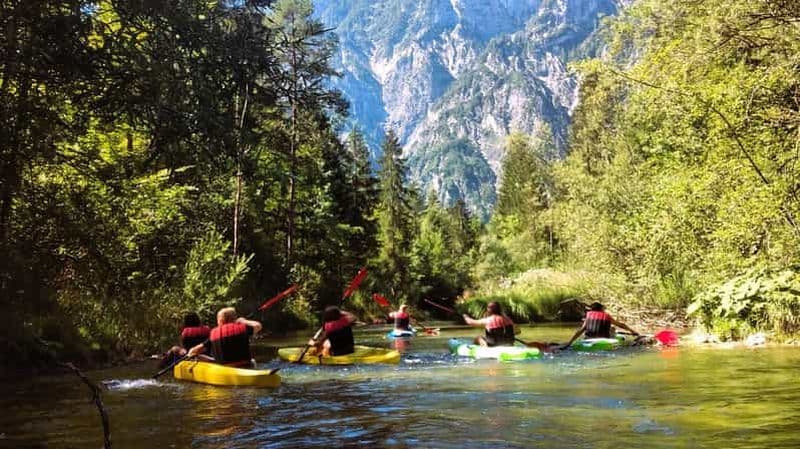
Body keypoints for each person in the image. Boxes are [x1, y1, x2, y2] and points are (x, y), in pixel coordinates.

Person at [187, 307, 262, 367]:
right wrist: (243, 320)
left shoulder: (214, 333)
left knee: (197, 356)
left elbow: (195, 350)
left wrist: (191, 353)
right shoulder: (243, 328)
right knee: (253, 361)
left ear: (221, 320)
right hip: (245, 366)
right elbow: (258, 326)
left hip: (224, 368)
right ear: (234, 318)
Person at [560, 302, 639, 349]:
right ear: (601, 309)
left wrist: (569, 342)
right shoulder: (606, 315)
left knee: (587, 330)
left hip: (589, 338)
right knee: (613, 328)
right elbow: (621, 325)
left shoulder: (588, 315)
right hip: (604, 338)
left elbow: (581, 330)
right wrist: (632, 331)